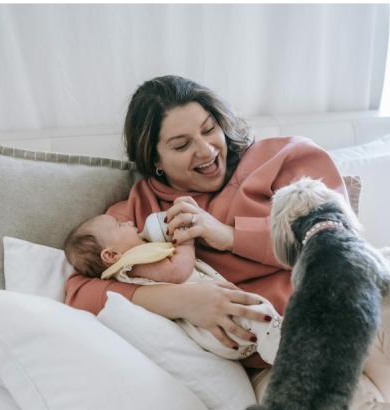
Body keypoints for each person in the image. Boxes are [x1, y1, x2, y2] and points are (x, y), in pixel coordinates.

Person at [65, 75, 346, 385]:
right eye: (182, 145)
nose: (206, 150)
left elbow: (335, 244)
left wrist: (228, 235)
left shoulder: (282, 159)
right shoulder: (137, 213)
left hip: (341, 313)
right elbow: (79, 293)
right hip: (271, 362)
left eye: (209, 129)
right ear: (155, 159)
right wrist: (184, 300)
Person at [64, 212, 282, 363]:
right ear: (111, 255)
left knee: (258, 316)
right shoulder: (132, 264)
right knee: (258, 311)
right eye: (120, 225)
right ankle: (287, 354)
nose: (130, 222)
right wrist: (186, 242)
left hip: (221, 327)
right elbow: (177, 272)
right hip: (215, 324)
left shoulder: (134, 259)